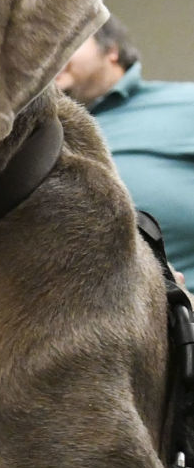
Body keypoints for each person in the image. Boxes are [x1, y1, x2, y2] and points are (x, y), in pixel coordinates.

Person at [55, 14, 194, 279]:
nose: (49, 56)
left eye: (65, 42)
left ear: (112, 51)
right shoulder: (33, 138)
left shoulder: (186, 104)